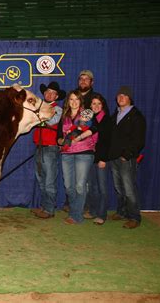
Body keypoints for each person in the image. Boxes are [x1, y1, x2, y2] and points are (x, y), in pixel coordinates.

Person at [108, 86, 146, 229]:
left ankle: (134, 217)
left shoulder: (136, 116)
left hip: (127, 158)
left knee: (129, 188)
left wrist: (128, 154)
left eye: (124, 95)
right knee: (119, 187)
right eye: (119, 95)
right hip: (115, 157)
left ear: (130, 98)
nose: (121, 97)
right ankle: (122, 211)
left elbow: (139, 140)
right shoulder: (115, 115)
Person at [57, 90, 97, 224]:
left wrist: (77, 138)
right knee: (68, 186)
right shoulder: (64, 116)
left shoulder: (86, 114)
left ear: (81, 101)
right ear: (68, 101)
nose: (74, 102)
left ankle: (76, 216)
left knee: (80, 185)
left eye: (77, 99)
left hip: (84, 152)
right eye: (71, 99)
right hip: (67, 153)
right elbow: (58, 136)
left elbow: (94, 129)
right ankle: (74, 212)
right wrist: (61, 141)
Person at [31, 82, 65, 219]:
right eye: (47, 92)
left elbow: (51, 121)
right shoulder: (41, 108)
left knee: (49, 180)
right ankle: (44, 207)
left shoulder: (58, 109)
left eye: (53, 93)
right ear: (44, 94)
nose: (49, 94)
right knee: (41, 179)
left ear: (56, 96)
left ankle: (49, 209)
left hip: (50, 148)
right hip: (39, 146)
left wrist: (39, 116)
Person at [86, 93, 112, 225]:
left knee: (102, 188)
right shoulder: (92, 119)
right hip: (92, 157)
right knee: (92, 186)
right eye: (93, 103)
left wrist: (104, 159)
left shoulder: (106, 119)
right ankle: (93, 210)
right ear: (90, 105)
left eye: (98, 103)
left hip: (101, 158)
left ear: (103, 105)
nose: (96, 106)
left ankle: (102, 214)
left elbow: (107, 142)